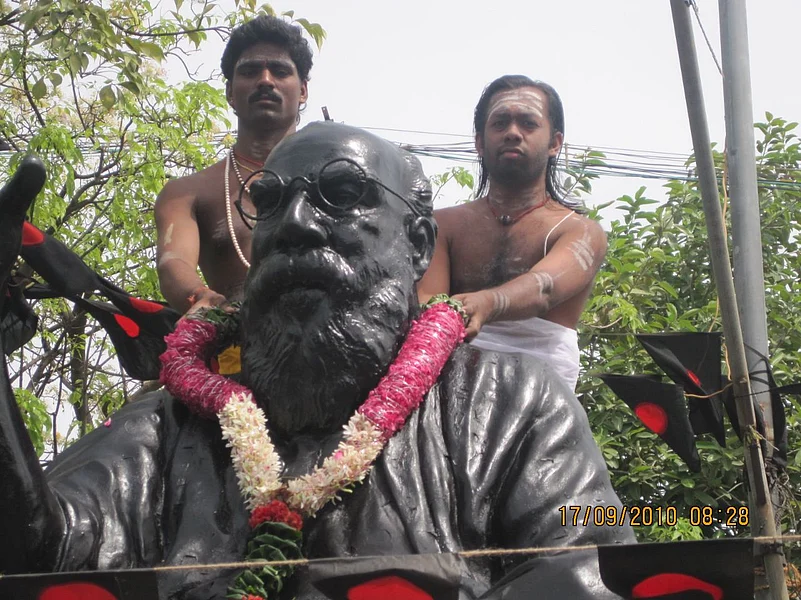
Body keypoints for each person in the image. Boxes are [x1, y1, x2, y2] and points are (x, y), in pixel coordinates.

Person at [0, 126, 633, 600]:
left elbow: (587, 572)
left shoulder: (516, 403)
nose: (295, 223)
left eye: (342, 193)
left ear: (416, 245)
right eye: (270, 201)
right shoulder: (167, 423)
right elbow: (38, 556)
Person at [418, 75, 607, 391]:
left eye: (529, 124)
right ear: (479, 142)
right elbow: (427, 305)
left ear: (554, 143)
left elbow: (543, 290)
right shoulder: (443, 225)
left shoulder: (581, 232)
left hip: (542, 405)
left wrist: (487, 304)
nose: (513, 133)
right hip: (450, 393)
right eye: (500, 123)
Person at [154, 15, 312, 313]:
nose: (265, 80)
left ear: (302, 90)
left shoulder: (343, 179)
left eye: (280, 71)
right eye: (250, 71)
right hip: (236, 351)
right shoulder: (186, 194)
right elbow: (173, 262)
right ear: (229, 92)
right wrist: (200, 295)